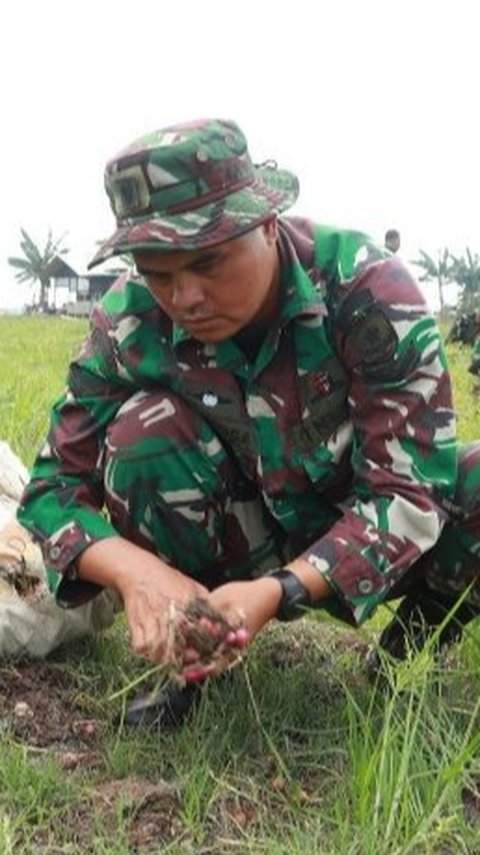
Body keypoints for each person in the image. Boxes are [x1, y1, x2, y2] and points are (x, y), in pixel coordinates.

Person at [17, 118, 480, 728]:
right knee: (141, 435)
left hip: (356, 533)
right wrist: (140, 575)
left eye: (207, 262)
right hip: (237, 535)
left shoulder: (365, 290)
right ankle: (193, 653)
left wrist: (281, 591)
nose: (185, 297)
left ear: (265, 225)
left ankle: (405, 653)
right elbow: (51, 491)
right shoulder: (129, 322)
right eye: (158, 271)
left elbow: (408, 491)